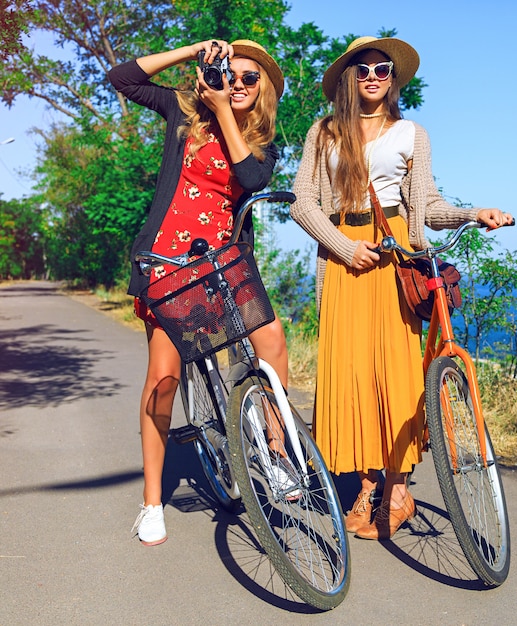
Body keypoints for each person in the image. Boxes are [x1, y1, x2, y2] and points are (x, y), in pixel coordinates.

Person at [291, 36, 513, 540]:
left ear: (393, 78)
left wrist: (473, 213)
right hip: (344, 259)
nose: (373, 76)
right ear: (349, 77)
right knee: (350, 375)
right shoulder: (323, 132)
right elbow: (303, 203)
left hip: (394, 259)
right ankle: (365, 483)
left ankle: (395, 487)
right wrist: (344, 248)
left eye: (382, 69)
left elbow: (427, 206)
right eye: (363, 69)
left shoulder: (413, 133)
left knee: (395, 376)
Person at [108, 39, 288, 545]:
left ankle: (277, 454)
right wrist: (191, 54)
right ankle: (150, 503)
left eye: (250, 79)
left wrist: (222, 111)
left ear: (263, 91)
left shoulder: (262, 142)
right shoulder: (183, 111)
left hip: (222, 266)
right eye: (231, 72)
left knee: (270, 338)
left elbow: (249, 177)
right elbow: (122, 78)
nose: (237, 82)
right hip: (167, 264)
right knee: (163, 381)